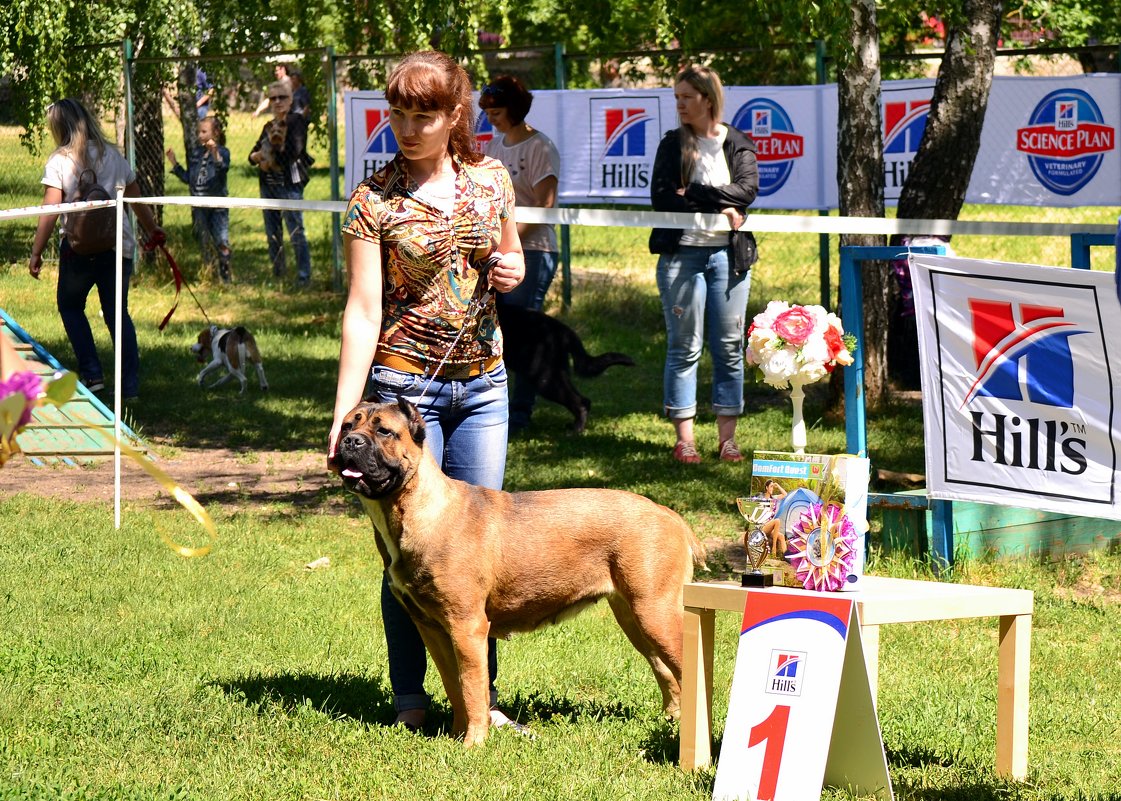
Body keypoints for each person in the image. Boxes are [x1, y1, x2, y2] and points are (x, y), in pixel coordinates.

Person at [327, 50, 526, 733]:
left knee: (477, 558)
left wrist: (511, 268)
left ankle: (480, 700)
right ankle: (410, 696)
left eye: (424, 116)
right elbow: (361, 308)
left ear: (454, 117)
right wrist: (344, 417)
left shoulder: (491, 180)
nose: (408, 130)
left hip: (484, 388)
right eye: (399, 115)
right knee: (408, 555)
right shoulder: (371, 198)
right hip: (402, 392)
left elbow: (514, 256)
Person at [649, 65, 759, 465]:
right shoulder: (672, 143)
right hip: (681, 256)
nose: (679, 105)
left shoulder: (738, 141)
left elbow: (747, 190)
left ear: (708, 100)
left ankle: (728, 440)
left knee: (730, 347)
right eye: (676, 97)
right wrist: (720, 202)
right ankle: (686, 441)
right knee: (684, 346)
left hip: (728, 258)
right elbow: (664, 198)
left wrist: (694, 191)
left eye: (686, 97)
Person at [27, 98, 163, 400]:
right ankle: (129, 388)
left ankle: (92, 374)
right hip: (117, 246)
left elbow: (50, 211)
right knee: (117, 314)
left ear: (58, 127)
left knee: (70, 306)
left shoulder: (60, 160)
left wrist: (37, 252)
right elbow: (136, 200)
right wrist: (152, 229)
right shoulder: (113, 156)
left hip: (78, 250)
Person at [478, 75, 561, 434]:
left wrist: (507, 242)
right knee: (501, 330)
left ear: (514, 109)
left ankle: (522, 411)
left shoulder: (541, 146)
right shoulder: (494, 147)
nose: (492, 118)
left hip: (535, 251)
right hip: (500, 252)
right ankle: (500, 404)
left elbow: (545, 203)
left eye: (496, 111)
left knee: (526, 334)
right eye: (488, 112)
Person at [249, 80, 314, 286]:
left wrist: (269, 158)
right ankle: (278, 274)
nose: (277, 101)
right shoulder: (268, 125)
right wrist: (257, 157)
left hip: (289, 184)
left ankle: (304, 276)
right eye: (273, 97)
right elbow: (252, 154)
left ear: (291, 98)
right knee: (272, 230)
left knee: (295, 228)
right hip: (267, 183)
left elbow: (294, 152)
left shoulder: (296, 122)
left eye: (282, 97)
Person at [166, 116, 233, 282]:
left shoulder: (223, 152)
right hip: (199, 207)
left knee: (221, 239)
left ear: (215, 133)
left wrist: (215, 152)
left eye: (204, 131)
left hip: (217, 205)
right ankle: (209, 273)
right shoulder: (196, 153)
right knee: (204, 240)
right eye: (199, 132)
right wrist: (175, 163)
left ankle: (225, 276)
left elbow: (222, 168)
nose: (200, 135)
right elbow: (189, 178)